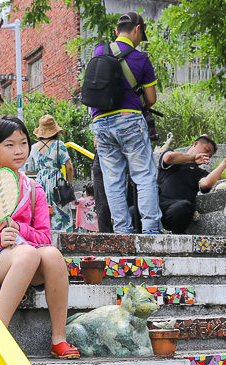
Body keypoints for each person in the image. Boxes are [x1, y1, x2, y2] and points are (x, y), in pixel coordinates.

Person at [0, 116, 79, 361]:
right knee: (28, 253)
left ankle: (59, 339)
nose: (19, 150)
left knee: (53, 254)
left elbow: (44, 237)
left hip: (26, 259)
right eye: (9, 145)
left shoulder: (35, 190)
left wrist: (18, 227)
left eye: (23, 143)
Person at [88, 11, 161, 234]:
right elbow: (150, 99)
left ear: (116, 31)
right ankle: (150, 230)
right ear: (137, 29)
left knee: (112, 181)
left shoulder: (99, 51)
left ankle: (122, 232)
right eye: (141, 35)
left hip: (100, 122)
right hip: (129, 119)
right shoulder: (141, 58)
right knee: (144, 175)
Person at [158, 135, 226, 234]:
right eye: (207, 150)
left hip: (177, 211)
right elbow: (168, 158)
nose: (208, 155)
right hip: (157, 207)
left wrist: (225, 163)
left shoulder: (199, 173)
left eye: (210, 155)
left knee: (183, 206)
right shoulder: (173, 160)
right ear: (195, 144)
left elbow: (206, 183)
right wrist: (193, 157)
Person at [25, 114, 74, 234]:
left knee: (41, 211)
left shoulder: (33, 148)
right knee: (62, 212)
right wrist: (70, 184)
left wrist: (42, 171)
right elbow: (69, 167)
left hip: (40, 183)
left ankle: (44, 237)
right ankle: (64, 239)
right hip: (58, 182)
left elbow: (28, 170)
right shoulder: (59, 145)